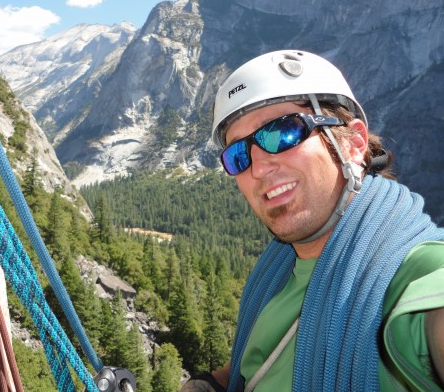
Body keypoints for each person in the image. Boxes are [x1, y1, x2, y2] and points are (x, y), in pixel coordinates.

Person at [182, 50, 444, 391]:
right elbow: (261, 362)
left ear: (353, 143)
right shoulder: (279, 275)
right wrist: (210, 384)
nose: (259, 168)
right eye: (238, 154)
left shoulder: (420, 281)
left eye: (283, 131)